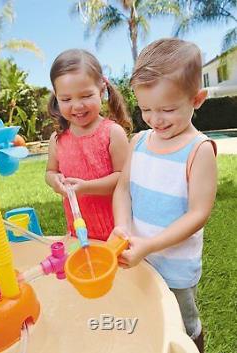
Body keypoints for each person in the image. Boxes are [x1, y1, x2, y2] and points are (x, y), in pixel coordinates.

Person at [111, 38, 217, 353]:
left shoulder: (198, 150)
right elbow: (123, 188)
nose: (155, 119)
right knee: (146, 312)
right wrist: (121, 225)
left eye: (167, 109)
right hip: (138, 255)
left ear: (197, 99)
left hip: (175, 265)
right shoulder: (139, 141)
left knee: (181, 325)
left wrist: (151, 245)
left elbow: (198, 214)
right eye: (146, 109)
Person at [46, 49, 132, 241]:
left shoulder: (112, 133)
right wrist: (55, 181)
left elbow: (124, 179)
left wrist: (85, 187)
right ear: (56, 97)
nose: (77, 106)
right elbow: (50, 172)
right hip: (79, 232)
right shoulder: (57, 139)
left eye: (85, 96)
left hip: (116, 231)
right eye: (66, 99)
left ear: (101, 91)